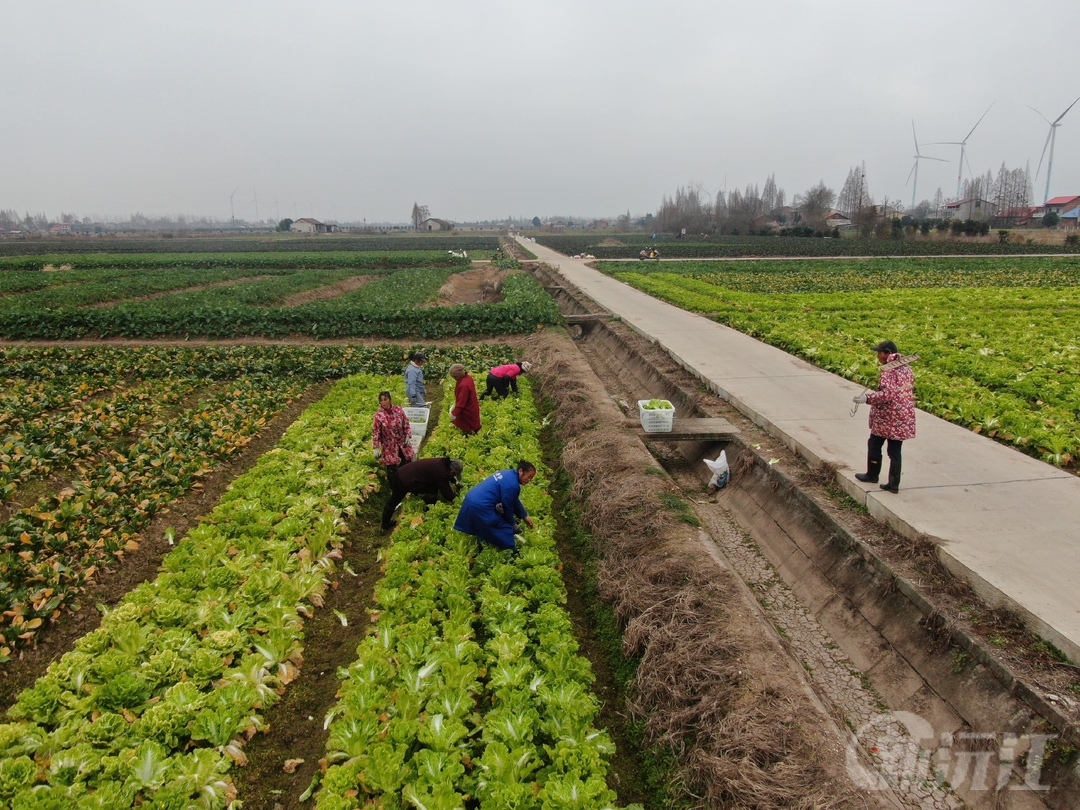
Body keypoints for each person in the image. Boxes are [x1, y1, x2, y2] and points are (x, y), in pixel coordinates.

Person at [853, 340, 916, 493]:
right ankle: (894, 484)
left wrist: (867, 398)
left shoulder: (889, 371)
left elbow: (887, 394)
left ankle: (872, 475)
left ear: (887, 353)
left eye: (879, 352)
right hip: (902, 415)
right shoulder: (906, 368)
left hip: (887, 416)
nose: (877, 356)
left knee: (874, 444)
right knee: (894, 450)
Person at [453, 461, 536, 551]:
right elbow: (508, 507)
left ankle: (481, 544)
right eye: (529, 477)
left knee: (483, 525)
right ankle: (511, 549)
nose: (529, 480)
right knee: (502, 526)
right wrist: (512, 525)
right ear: (521, 471)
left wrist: (524, 516)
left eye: (531, 479)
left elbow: (513, 499)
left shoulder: (507, 473)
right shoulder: (513, 485)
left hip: (471, 499)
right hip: (481, 505)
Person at [381, 456, 463, 530]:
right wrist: (457, 501)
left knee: (432, 486)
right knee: (395, 500)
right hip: (404, 481)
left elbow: (447, 475)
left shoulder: (442, 462)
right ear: (452, 470)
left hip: (401, 473)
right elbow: (447, 494)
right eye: (454, 474)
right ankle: (385, 524)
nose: (453, 476)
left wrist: (455, 482)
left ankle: (429, 509)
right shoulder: (441, 472)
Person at [372, 391, 416, 474]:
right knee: (392, 469)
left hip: (402, 443)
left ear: (390, 400)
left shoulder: (398, 410)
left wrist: (407, 435)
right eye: (381, 400)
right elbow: (376, 432)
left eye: (385, 399)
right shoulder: (379, 416)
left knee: (408, 464)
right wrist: (376, 447)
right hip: (389, 446)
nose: (383, 402)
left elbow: (406, 423)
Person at [448, 363, 481, 435]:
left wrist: (454, 413)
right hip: (472, 405)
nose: (454, 378)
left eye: (454, 376)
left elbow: (462, 402)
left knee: (468, 425)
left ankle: (469, 437)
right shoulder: (468, 377)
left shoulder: (464, 385)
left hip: (468, 409)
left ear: (458, 375)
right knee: (473, 422)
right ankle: (476, 433)